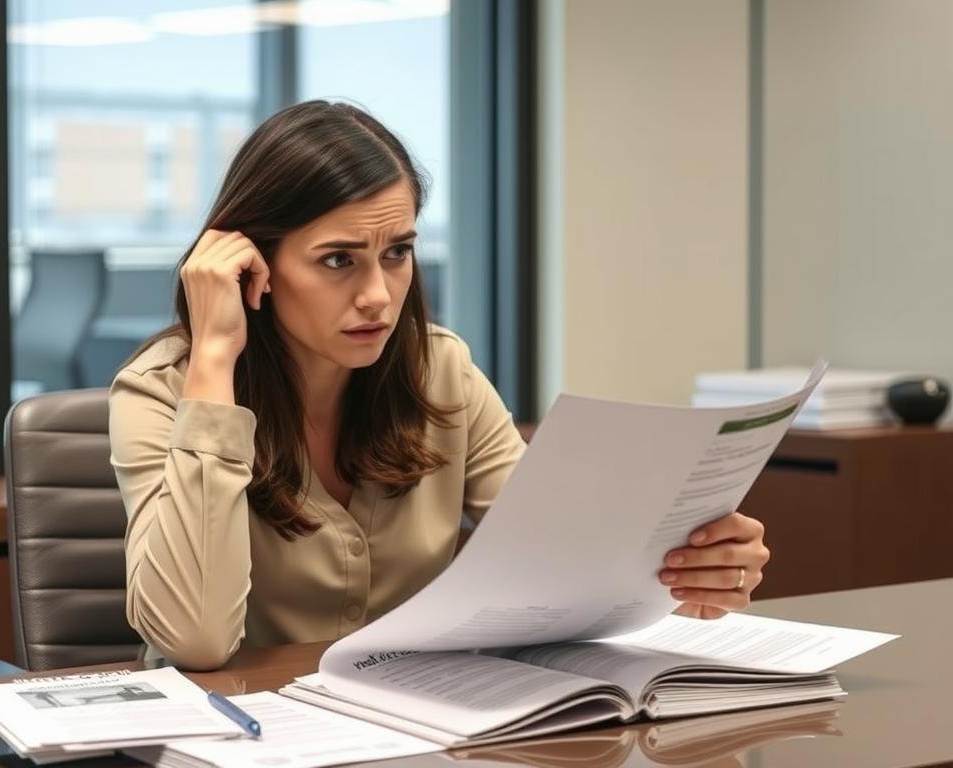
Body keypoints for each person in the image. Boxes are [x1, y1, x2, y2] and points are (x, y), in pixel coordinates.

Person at [108, 101, 770, 671]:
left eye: (396, 253)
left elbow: (565, 559)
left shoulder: (440, 372)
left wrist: (687, 568)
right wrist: (216, 354)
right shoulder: (160, 393)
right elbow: (195, 642)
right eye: (339, 260)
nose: (378, 296)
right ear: (256, 263)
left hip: (416, 730)